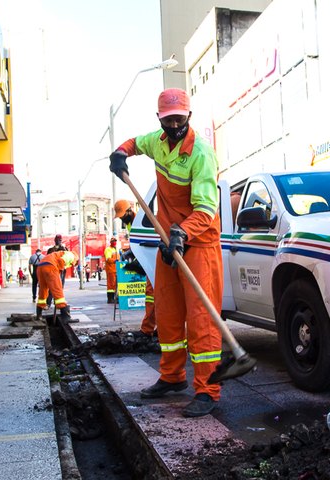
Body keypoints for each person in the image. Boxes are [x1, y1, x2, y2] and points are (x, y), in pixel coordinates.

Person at [109, 88, 223, 418]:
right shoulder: (157, 141)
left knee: (202, 319)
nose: (174, 124)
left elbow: (206, 210)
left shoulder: (201, 153)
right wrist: (121, 152)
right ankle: (172, 377)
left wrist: (182, 234)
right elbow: (135, 143)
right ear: (159, 119)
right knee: (168, 313)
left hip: (198, 243)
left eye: (179, 118)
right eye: (168, 119)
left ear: (189, 116)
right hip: (167, 240)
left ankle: (207, 389)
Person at [114, 199, 156, 338]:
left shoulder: (142, 220)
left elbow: (148, 242)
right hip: (149, 260)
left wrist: (137, 257)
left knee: (152, 295)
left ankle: (148, 329)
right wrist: (132, 253)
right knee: (153, 296)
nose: (121, 219)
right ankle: (150, 328)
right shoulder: (131, 223)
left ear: (129, 210)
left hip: (154, 261)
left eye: (122, 215)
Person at [35, 246, 76, 324]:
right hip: (50, 266)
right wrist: (59, 272)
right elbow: (61, 261)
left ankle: (39, 314)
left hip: (40, 266)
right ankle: (65, 316)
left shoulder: (57, 254)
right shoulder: (71, 255)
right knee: (57, 289)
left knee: (43, 289)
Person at [104, 237, 119, 304]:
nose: (114, 242)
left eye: (115, 241)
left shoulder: (115, 249)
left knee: (114, 284)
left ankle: (114, 298)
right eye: (113, 241)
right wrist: (115, 261)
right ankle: (110, 299)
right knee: (111, 285)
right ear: (111, 242)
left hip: (115, 269)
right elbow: (108, 259)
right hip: (111, 269)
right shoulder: (108, 250)